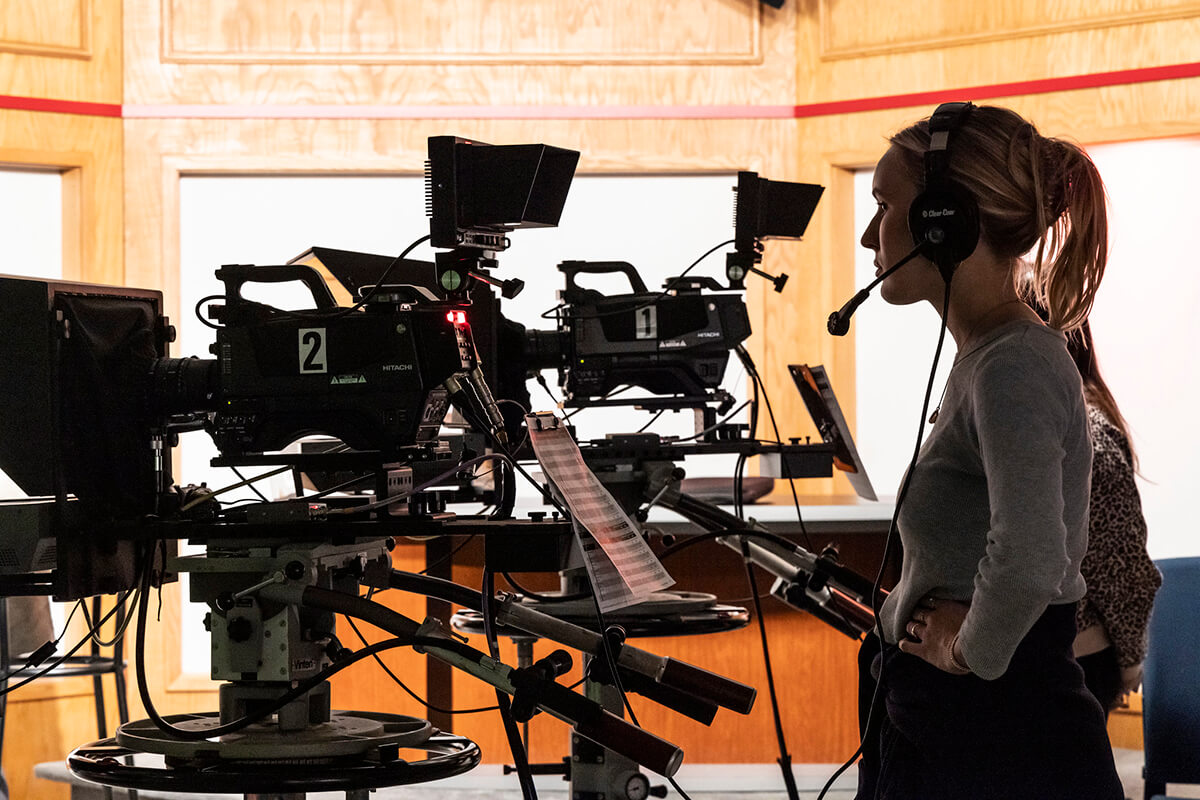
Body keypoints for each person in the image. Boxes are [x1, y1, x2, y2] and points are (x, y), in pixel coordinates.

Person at [854, 102, 1124, 799]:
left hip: (993, 737)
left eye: (884, 205)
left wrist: (967, 647)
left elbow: (1032, 559)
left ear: (943, 220)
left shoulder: (1014, 366)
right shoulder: (990, 357)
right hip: (958, 726)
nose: (868, 235)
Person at [1064, 320, 1161, 716]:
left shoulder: (1090, 435)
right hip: (1049, 652)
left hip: (1076, 658)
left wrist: (1130, 659)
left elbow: (1117, 560)